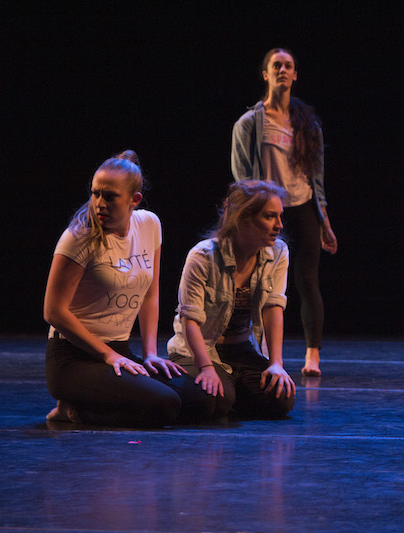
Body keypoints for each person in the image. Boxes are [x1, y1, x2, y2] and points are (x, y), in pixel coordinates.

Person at [44, 150, 210, 427]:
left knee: (205, 400)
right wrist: (108, 355)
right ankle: (74, 410)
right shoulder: (79, 237)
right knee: (165, 404)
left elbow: (150, 293)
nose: (99, 203)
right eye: (95, 193)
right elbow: (53, 311)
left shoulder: (149, 225)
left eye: (109, 196)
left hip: (121, 351)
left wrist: (150, 354)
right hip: (73, 359)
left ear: (135, 200)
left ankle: (95, 401)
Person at [231, 47, 337, 377]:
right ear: (266, 74)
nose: (282, 70)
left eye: (288, 66)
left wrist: (324, 220)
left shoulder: (308, 125)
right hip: (266, 209)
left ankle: (312, 355)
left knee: (307, 281)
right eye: (276, 65)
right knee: (260, 280)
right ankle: (262, 351)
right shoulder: (249, 123)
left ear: (295, 75)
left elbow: (315, 177)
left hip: (302, 206)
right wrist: (246, 215)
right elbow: (242, 176)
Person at [167, 180, 296, 420]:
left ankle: (227, 390)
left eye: (280, 216)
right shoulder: (203, 256)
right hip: (198, 349)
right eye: (269, 217)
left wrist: (276, 363)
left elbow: (273, 307)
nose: (279, 225)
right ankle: (191, 384)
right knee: (215, 401)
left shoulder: (278, 253)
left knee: (281, 399)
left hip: (240, 350)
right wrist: (206, 367)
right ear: (242, 218)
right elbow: (190, 320)